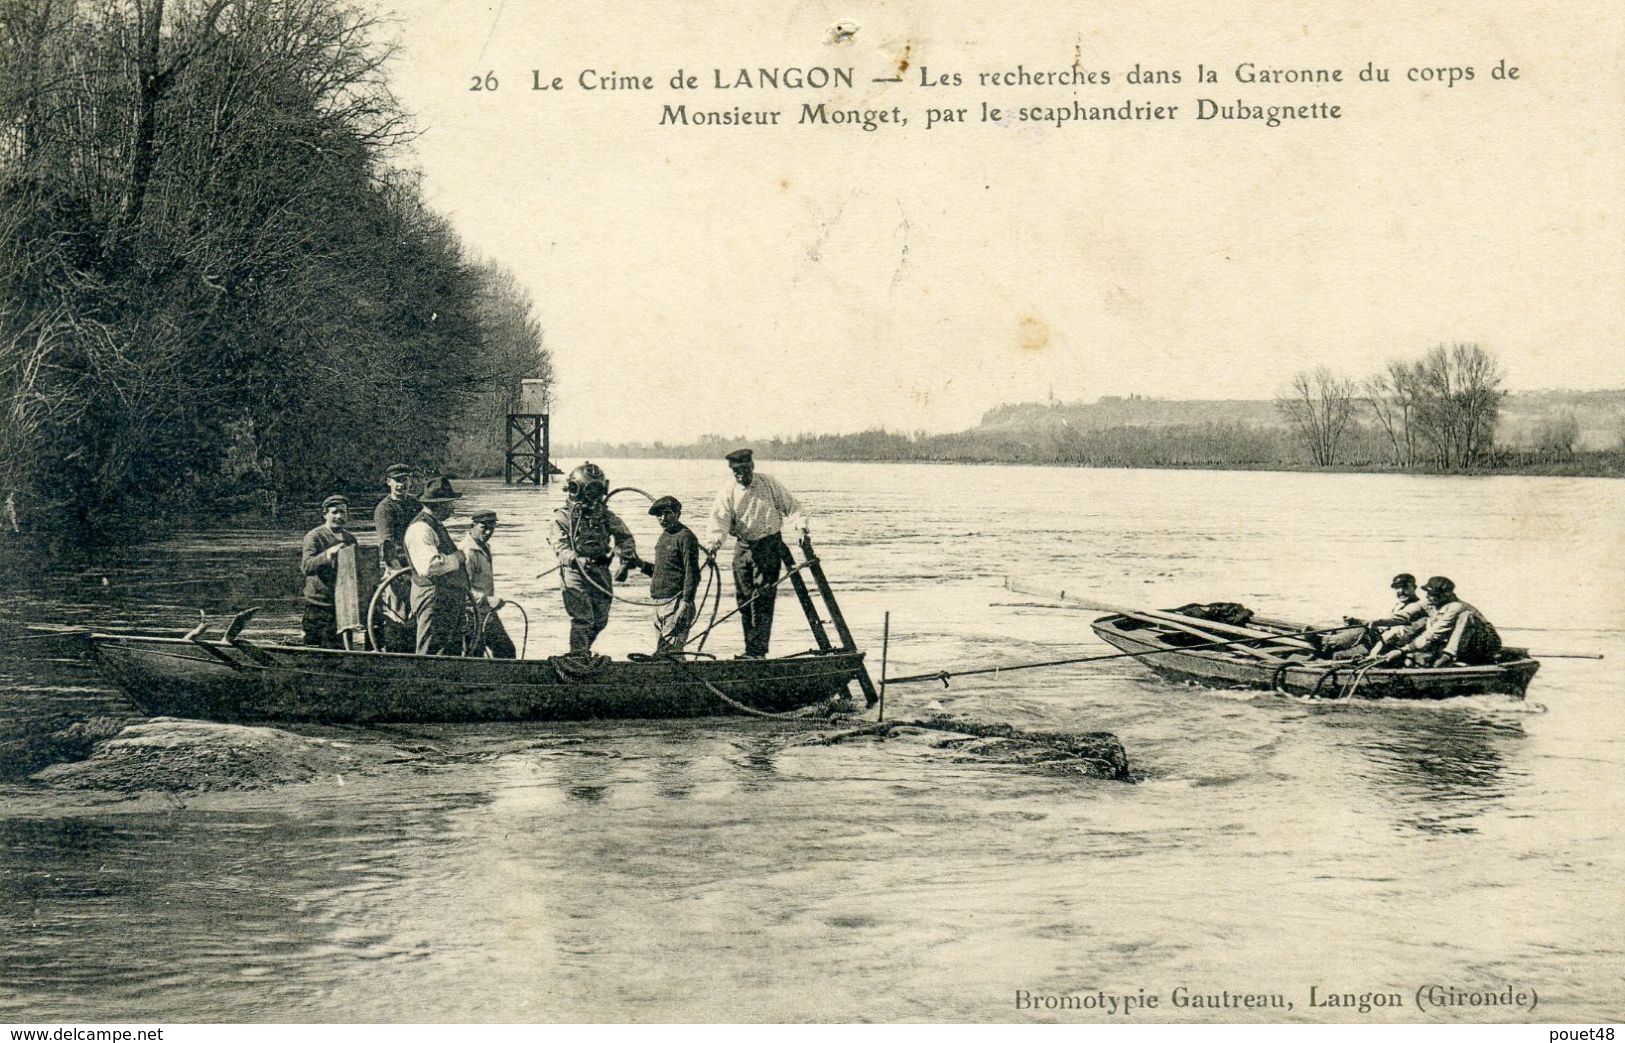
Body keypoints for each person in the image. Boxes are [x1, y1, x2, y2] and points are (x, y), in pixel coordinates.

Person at [703, 448, 810, 659]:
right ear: (732, 471)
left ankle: (758, 651)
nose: (741, 475)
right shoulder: (728, 490)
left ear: (752, 466)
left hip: (769, 546)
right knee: (743, 598)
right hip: (743, 546)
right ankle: (749, 649)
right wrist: (713, 544)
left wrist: (801, 528)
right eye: (736, 471)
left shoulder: (768, 483)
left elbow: (793, 507)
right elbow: (719, 520)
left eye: (744, 469)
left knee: (762, 596)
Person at [549, 462, 641, 654]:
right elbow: (559, 545)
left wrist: (624, 560)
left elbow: (625, 537)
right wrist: (575, 559)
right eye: (589, 491)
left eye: (596, 490)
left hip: (600, 570)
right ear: (576, 489)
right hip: (574, 571)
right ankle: (578, 656)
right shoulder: (562, 517)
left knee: (600, 619)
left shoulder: (605, 515)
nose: (592, 496)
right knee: (583, 618)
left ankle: (583, 650)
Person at [404, 476, 470, 656]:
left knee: (449, 652)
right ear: (438, 504)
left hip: (447, 598)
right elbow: (429, 568)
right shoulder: (420, 529)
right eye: (450, 504)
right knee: (431, 651)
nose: (453, 509)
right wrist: (457, 558)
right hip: (434, 599)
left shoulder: (434, 525)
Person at [1373, 576, 1503, 667]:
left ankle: (1448, 659)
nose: (1428, 597)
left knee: (1466, 616)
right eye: (1428, 594)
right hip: (1458, 644)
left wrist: (1402, 651)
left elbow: (1433, 634)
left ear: (1446, 595)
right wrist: (1378, 622)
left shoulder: (1456, 607)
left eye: (1432, 595)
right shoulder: (1429, 602)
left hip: (1483, 646)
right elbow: (1404, 615)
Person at [637, 495, 702, 655]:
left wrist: (685, 603)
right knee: (665, 652)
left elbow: (692, 573)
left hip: (675, 603)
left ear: (677, 514)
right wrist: (639, 564)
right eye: (659, 515)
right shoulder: (664, 537)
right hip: (658, 604)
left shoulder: (685, 536)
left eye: (667, 513)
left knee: (669, 654)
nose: (662, 518)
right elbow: (661, 571)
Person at [1316, 573, 1426, 658]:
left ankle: (1325, 642)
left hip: (1392, 647)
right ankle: (1326, 644)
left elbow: (1398, 634)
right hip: (1381, 642)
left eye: (1405, 587)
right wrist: (1356, 621)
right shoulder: (1399, 605)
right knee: (1339, 654)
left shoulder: (1417, 608)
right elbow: (1383, 624)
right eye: (1397, 587)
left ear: (1414, 587)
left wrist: (1375, 650)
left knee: (1364, 632)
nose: (1401, 591)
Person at [372, 463, 421, 652]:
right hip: (397, 567)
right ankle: (398, 652)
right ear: (389, 482)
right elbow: (388, 544)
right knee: (399, 615)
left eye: (405, 480)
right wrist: (398, 571)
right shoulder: (384, 509)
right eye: (397, 480)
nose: (401, 485)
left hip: (417, 564)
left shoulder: (415, 504)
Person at [300, 494, 358, 648]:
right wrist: (328, 554)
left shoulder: (350, 539)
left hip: (342, 604)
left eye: (343, 512)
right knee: (316, 648)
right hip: (319, 603)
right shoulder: (314, 537)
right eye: (334, 512)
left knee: (343, 647)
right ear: (325, 514)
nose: (339, 516)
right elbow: (306, 567)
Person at [459, 509, 516, 659]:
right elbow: (461, 589)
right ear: (472, 526)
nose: (489, 531)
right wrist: (487, 600)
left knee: (507, 650)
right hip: (470, 615)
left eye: (492, 527)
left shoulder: (484, 547)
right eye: (484, 527)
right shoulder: (467, 552)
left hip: (487, 613)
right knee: (475, 656)